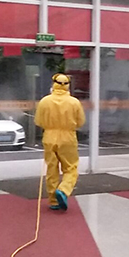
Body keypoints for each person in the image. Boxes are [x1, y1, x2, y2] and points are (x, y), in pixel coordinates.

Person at [35, 73, 86, 211]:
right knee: (71, 168)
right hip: (68, 137)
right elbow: (80, 122)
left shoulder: (44, 101)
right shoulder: (74, 102)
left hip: (49, 137)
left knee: (52, 169)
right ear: (68, 85)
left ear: (54, 84)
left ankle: (53, 201)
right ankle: (63, 190)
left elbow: (38, 121)